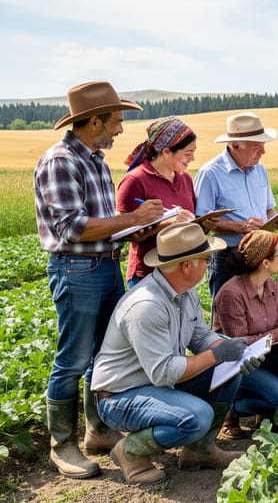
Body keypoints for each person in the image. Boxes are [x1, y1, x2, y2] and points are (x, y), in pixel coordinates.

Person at [33, 81, 166, 479]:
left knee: (103, 354)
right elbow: (73, 228)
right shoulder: (61, 162)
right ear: (94, 121)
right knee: (72, 359)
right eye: (116, 121)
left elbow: (103, 224)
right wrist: (133, 219)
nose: (121, 129)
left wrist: (137, 229)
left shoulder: (95, 161)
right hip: (76, 269)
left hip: (105, 265)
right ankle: (62, 445)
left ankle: (98, 431)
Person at [91, 223, 263, 484]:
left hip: (156, 384)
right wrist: (218, 355)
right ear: (186, 265)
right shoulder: (147, 306)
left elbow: (201, 337)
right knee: (197, 416)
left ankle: (200, 450)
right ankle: (130, 451)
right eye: (205, 259)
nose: (208, 264)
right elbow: (164, 373)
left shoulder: (185, 293)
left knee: (229, 373)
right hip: (121, 397)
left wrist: (237, 353)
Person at [212, 230, 278, 438]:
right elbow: (239, 345)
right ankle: (229, 409)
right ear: (265, 263)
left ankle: (268, 409)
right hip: (236, 366)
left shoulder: (271, 286)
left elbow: (273, 328)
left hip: (261, 356)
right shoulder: (231, 294)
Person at [193, 112, 278, 307]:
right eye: (256, 146)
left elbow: (269, 209)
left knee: (258, 310)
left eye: (263, 145)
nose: (263, 152)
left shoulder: (260, 169)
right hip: (228, 255)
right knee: (227, 311)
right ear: (235, 146)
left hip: (262, 251)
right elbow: (201, 222)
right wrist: (241, 227)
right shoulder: (210, 173)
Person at [117, 116, 202, 288]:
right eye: (187, 153)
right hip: (148, 274)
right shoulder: (135, 180)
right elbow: (124, 231)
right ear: (166, 151)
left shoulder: (185, 178)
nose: (192, 158)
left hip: (182, 272)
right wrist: (167, 223)